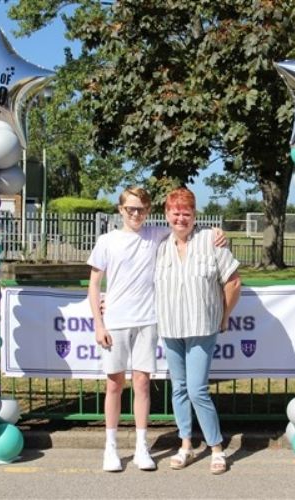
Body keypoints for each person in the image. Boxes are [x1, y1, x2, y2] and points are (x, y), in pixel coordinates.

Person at [87, 187, 225, 472]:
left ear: (149, 211)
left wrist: (218, 231)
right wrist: (99, 324)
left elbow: (184, 226)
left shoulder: (156, 235)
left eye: (141, 209)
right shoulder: (107, 241)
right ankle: (110, 447)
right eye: (130, 209)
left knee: (142, 384)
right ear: (120, 210)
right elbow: (94, 285)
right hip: (115, 321)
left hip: (147, 320)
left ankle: (141, 447)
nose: (136, 214)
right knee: (114, 385)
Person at [154, 187, 241, 475]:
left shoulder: (211, 240)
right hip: (170, 327)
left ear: (195, 215)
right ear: (167, 214)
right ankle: (186, 445)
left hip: (202, 326)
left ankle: (216, 448)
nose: (181, 218)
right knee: (179, 388)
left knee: (197, 390)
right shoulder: (159, 245)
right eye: (175, 212)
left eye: (186, 213)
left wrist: (224, 316)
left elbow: (233, 282)